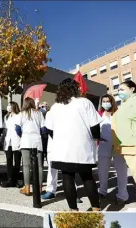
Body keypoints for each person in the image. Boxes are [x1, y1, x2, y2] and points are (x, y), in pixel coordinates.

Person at [45, 78, 102, 211]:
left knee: (67, 176)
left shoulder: (55, 106)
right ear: (75, 88)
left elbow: (49, 129)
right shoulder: (84, 102)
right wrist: (95, 140)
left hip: (62, 149)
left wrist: (60, 139)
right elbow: (95, 126)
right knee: (87, 176)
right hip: (82, 147)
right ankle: (96, 208)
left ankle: (73, 210)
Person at [112, 80, 136, 211]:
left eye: (122, 89)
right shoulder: (124, 105)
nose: (119, 92)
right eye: (118, 90)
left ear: (132, 89)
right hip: (128, 147)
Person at [97, 94, 129, 204]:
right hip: (103, 145)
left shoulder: (118, 113)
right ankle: (102, 190)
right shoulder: (98, 115)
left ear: (112, 102)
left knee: (121, 170)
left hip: (118, 145)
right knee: (102, 170)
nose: (106, 103)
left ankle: (122, 195)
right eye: (104, 101)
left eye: (108, 101)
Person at [16, 97, 45, 196]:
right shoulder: (39, 113)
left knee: (26, 166)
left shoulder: (21, 114)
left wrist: (22, 135)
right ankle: (40, 188)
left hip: (26, 141)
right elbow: (43, 129)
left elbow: (17, 128)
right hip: (37, 141)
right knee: (40, 166)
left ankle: (27, 188)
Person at [1, 101, 22, 188]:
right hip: (8, 141)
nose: (8, 107)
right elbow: (5, 129)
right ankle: (10, 180)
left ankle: (16, 179)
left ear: (14, 106)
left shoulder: (19, 115)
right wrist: (3, 140)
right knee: (9, 160)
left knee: (17, 161)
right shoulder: (6, 117)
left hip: (17, 140)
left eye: (9, 105)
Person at [41, 110, 58, 200]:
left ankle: (73, 193)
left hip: (68, 145)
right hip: (53, 145)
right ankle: (51, 190)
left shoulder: (71, 112)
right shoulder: (50, 113)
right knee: (52, 169)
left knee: (69, 170)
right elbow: (47, 129)